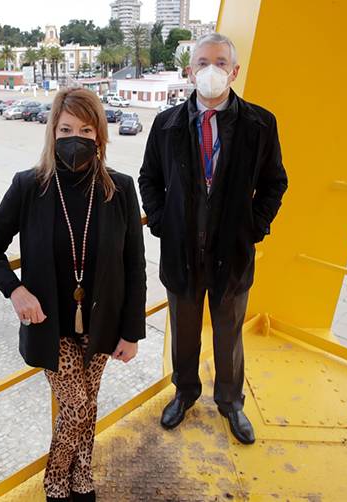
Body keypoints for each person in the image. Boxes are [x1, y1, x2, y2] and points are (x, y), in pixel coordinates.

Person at [0, 88, 146, 502]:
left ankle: (82, 478)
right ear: (52, 131)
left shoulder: (120, 189)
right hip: (50, 326)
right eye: (66, 128)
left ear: (100, 135)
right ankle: (56, 483)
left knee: (89, 403)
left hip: (103, 323)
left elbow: (134, 265)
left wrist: (132, 331)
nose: (75, 138)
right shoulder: (29, 186)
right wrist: (14, 290)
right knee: (76, 407)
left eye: (86, 129)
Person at [138, 33, 288, 444]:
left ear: (234, 71)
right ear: (190, 71)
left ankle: (231, 402)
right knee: (184, 332)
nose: (211, 70)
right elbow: (149, 178)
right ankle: (184, 393)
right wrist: (162, 222)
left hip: (232, 254)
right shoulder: (166, 124)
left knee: (229, 332)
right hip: (181, 251)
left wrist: (254, 227)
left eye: (220, 62)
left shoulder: (260, 124)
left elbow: (275, 182)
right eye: (203, 62)